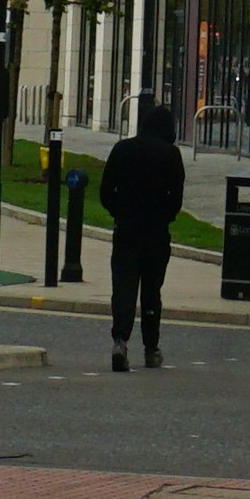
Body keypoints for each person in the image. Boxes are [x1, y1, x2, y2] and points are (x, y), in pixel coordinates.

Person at [98, 93, 187, 371]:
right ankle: (150, 348)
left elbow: (105, 192)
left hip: (126, 229)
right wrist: (165, 216)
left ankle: (120, 341)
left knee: (123, 288)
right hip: (156, 232)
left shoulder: (122, 149)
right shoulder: (171, 155)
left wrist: (119, 211)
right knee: (151, 291)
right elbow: (176, 198)